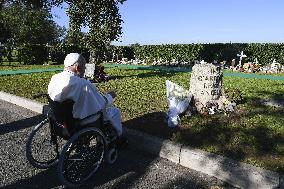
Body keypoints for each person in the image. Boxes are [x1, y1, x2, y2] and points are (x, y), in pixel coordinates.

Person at [48, 53, 125, 141]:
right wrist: (110, 96)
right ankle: (118, 138)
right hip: (77, 122)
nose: (85, 70)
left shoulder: (55, 77)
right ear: (77, 68)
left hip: (59, 118)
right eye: (84, 67)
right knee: (114, 111)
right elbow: (100, 103)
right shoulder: (83, 84)